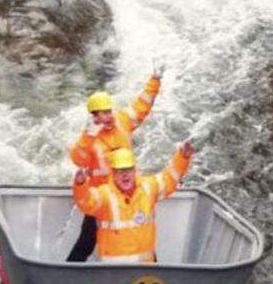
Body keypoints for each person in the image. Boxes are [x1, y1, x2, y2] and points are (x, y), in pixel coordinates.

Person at [66, 67, 164, 261]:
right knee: (86, 241)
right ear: (93, 117)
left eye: (108, 111)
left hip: (130, 193)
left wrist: (155, 79)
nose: (107, 117)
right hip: (104, 199)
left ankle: (154, 275)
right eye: (101, 114)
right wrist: (89, 135)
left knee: (142, 236)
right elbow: (78, 158)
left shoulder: (122, 121)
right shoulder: (89, 137)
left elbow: (142, 106)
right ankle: (65, 277)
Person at [71, 141, 194, 263]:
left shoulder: (148, 187)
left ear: (134, 170)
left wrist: (183, 157)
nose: (125, 175)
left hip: (145, 272)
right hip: (113, 273)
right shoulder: (105, 195)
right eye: (120, 171)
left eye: (128, 170)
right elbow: (85, 202)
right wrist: (81, 184)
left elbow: (170, 178)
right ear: (113, 174)